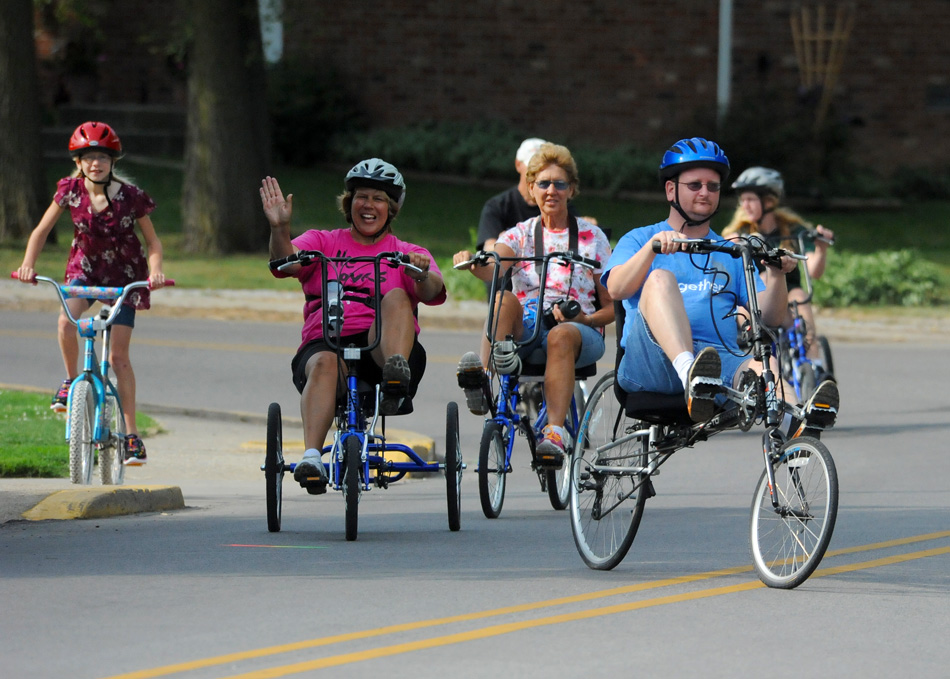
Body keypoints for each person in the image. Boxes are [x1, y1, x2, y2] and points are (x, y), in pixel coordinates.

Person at [601, 137, 837, 436]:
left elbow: (769, 318)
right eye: (695, 185)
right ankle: (690, 373)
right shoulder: (640, 239)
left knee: (763, 365)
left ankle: (799, 427)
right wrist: (653, 249)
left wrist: (777, 276)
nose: (705, 192)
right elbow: (617, 290)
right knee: (660, 279)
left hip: (718, 367)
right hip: (652, 365)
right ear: (671, 189)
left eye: (713, 186)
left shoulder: (731, 251)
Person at [261, 159, 446, 492]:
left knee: (396, 297)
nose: (368, 205)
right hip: (327, 343)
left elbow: (433, 289)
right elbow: (283, 263)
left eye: (378, 198)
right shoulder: (323, 241)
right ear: (349, 203)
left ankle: (394, 378)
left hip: (383, 351)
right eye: (362, 197)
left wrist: (418, 271)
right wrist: (279, 229)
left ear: (390, 209)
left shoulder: (407, 251)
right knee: (326, 361)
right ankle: (313, 457)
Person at [453, 143, 614, 468]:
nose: (551, 190)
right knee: (502, 298)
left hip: (578, 330)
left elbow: (612, 306)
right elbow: (494, 265)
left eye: (559, 183)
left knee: (561, 336)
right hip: (526, 327)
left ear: (572, 189)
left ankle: (554, 434)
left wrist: (585, 317)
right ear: (530, 188)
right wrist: (474, 263)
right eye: (543, 183)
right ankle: (482, 381)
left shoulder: (592, 237)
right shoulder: (521, 234)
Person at [16, 121, 166, 465]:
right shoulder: (70, 190)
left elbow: (153, 241)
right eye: (87, 157)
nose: (94, 163)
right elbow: (40, 231)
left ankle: (131, 435)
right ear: (78, 162)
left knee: (118, 359)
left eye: (101, 157)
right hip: (83, 271)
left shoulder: (131, 197)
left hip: (124, 275)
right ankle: (71, 382)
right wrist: (28, 264)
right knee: (66, 323)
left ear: (113, 160)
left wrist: (155, 271)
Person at [721, 167, 836, 376]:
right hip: (752, 296)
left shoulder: (792, 230)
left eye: (750, 199)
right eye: (742, 199)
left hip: (789, 290)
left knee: (800, 295)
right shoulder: (739, 233)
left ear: (769, 201)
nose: (744, 205)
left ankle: (813, 362)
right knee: (744, 300)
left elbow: (814, 272)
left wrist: (820, 248)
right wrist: (732, 246)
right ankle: (749, 356)